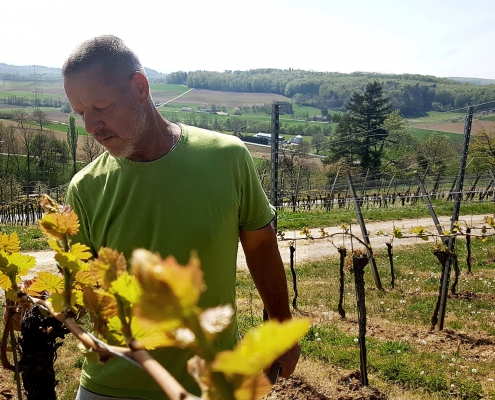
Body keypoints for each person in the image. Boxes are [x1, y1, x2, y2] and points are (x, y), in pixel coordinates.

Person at [62, 35, 300, 399]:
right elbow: (80, 295)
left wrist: (281, 326)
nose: (91, 126)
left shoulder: (227, 158)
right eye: (80, 112)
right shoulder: (85, 188)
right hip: (110, 388)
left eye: (102, 107)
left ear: (139, 87)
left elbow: (261, 245)